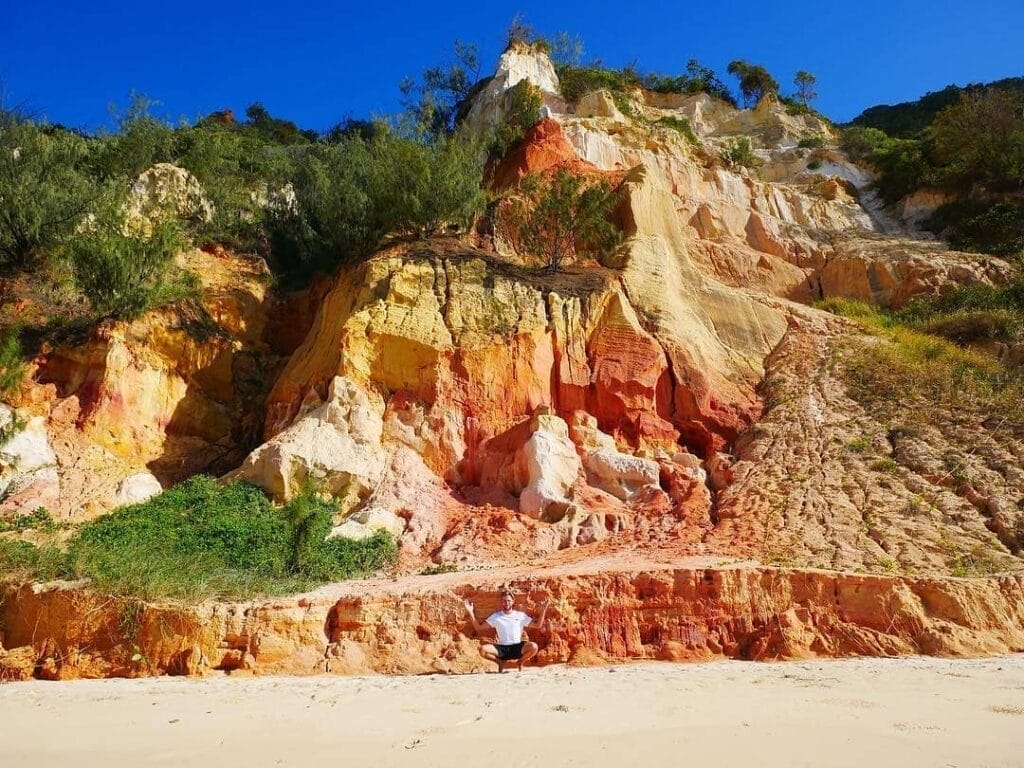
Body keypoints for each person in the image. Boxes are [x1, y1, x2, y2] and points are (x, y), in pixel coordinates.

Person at [463, 590, 549, 672]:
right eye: (504, 601)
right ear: (501, 602)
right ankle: (499, 662)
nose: (507, 603)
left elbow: (538, 625)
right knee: (482, 650)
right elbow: (479, 628)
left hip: (517, 647)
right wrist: (471, 612)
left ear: (513, 601)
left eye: (509, 600)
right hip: (501, 648)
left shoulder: (520, 616)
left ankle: (520, 662)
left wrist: (544, 610)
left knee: (534, 647)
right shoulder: (496, 617)